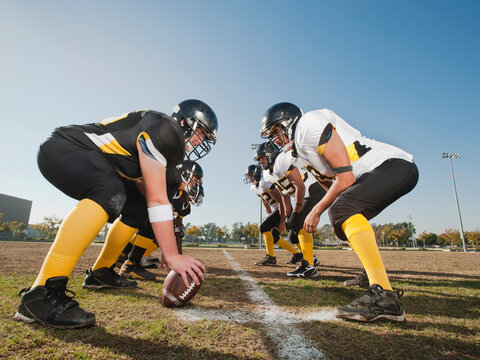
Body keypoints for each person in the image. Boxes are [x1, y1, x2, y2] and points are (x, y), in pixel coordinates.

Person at [15, 99, 218, 329]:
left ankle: (101, 272)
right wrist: (172, 256)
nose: (200, 141)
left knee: (135, 209)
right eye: (200, 133)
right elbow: (157, 199)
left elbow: (146, 191)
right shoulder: (167, 129)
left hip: (90, 158)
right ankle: (42, 293)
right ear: (183, 122)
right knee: (110, 191)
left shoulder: (160, 136)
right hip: (65, 148)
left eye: (205, 138)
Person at [260, 102, 418, 322]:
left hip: (391, 164)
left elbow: (346, 178)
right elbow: (333, 184)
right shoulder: (298, 155)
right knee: (343, 222)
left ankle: (385, 298)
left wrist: (316, 210)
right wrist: (329, 210)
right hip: (377, 173)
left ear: (290, 122)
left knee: (342, 211)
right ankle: (372, 275)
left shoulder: (308, 124)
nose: (275, 139)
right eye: (271, 135)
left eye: (276, 131)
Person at [118, 161, 205, 280]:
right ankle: (125, 260)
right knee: (150, 223)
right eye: (194, 180)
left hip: (142, 205)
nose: (195, 185)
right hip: (131, 195)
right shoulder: (171, 179)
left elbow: (166, 219)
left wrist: (170, 254)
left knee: (152, 225)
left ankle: (129, 261)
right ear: (184, 173)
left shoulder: (178, 194)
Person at [256, 142, 325, 278]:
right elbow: (284, 194)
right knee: (292, 235)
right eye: (258, 159)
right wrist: (287, 216)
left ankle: (309, 266)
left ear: (270, 154)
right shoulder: (268, 174)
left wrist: (297, 211)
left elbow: (299, 185)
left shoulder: (282, 160)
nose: (260, 161)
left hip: (312, 189)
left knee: (298, 222)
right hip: (301, 195)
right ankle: (312, 258)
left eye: (261, 157)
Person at [245, 162, 302, 266]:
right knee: (274, 236)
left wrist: (281, 221)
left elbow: (281, 201)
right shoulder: (254, 187)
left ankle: (270, 258)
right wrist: (269, 215)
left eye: (250, 175)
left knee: (265, 227)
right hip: (276, 210)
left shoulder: (265, 182)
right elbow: (264, 201)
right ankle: (298, 254)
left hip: (283, 208)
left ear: (255, 174)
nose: (249, 178)